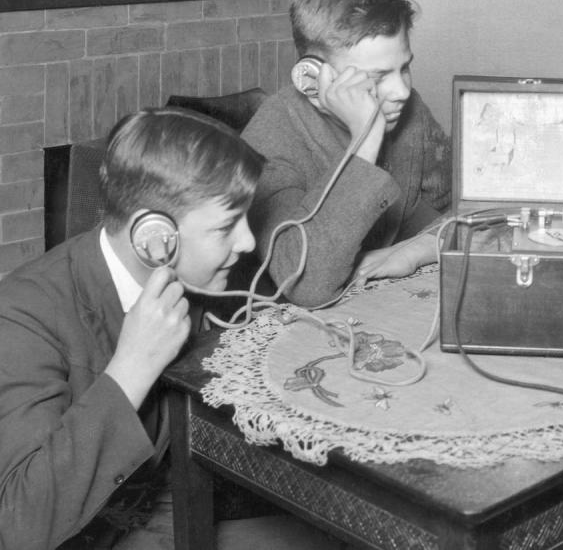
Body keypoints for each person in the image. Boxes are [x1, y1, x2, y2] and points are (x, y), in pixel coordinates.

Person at [0, 108, 337, 549]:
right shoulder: (23, 313)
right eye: (225, 226)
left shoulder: (199, 278)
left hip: (173, 507)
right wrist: (131, 368)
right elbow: (21, 523)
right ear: (155, 236)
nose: (248, 242)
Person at [243, 0, 451, 307]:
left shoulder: (409, 114)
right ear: (312, 80)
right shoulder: (272, 137)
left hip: (378, 309)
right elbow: (306, 286)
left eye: (404, 67)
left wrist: (421, 247)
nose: (400, 90)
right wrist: (366, 138)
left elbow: (478, 210)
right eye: (378, 76)